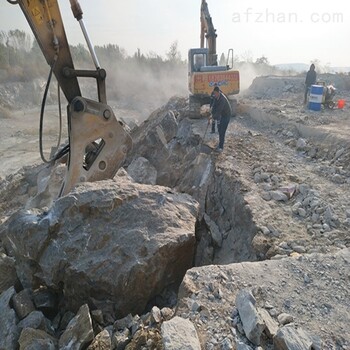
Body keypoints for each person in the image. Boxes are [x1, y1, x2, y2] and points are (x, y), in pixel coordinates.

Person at [210, 86, 232, 152]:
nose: (215, 94)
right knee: (219, 129)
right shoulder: (216, 97)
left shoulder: (222, 99)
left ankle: (221, 147)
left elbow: (219, 110)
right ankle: (220, 144)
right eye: (214, 93)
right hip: (221, 115)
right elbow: (214, 106)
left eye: (216, 93)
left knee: (222, 131)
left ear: (218, 92)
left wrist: (212, 117)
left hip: (226, 115)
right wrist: (211, 113)